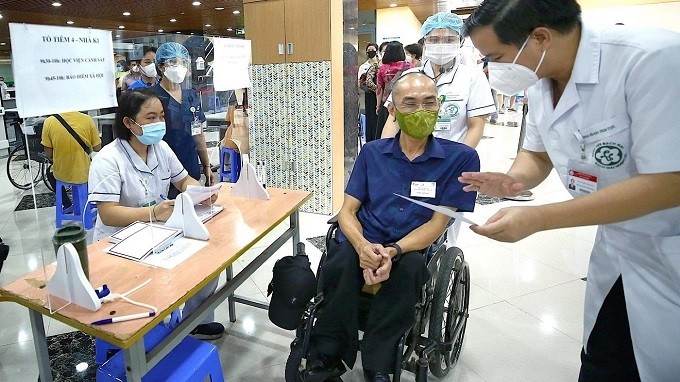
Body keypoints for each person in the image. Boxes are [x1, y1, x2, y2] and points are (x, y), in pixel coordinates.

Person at [461, 1, 680, 381]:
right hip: (619, 247)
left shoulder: (650, 60)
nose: (489, 69)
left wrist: (539, 218)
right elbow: (537, 153)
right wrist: (513, 179)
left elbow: (668, 182)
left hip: (670, 242)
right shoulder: (540, 78)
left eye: (494, 57)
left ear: (541, 37)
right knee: (604, 355)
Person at [301, 72, 480, 382]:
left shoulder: (460, 159)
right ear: (393, 110)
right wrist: (361, 246)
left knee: (409, 270)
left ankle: (379, 361)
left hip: (412, 243)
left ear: (440, 106)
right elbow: (347, 211)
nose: (420, 111)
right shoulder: (373, 153)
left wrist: (394, 250)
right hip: (365, 235)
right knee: (339, 261)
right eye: (409, 104)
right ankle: (327, 353)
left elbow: (439, 223)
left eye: (429, 102)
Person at [88, 89, 225, 340]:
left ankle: (195, 322)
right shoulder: (108, 159)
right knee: (159, 286)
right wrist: (151, 212)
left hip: (157, 232)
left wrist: (202, 192)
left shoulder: (161, 148)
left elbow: (183, 180)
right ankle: (155, 336)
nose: (158, 123)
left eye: (161, 116)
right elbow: (107, 214)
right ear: (129, 123)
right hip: (118, 242)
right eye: (150, 118)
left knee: (208, 262)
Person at [382, 12, 495, 246]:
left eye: (448, 39)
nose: (440, 45)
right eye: (434, 39)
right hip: (409, 159)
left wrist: (455, 162)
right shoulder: (410, 76)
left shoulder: (471, 77)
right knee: (403, 216)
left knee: (443, 226)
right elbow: (392, 121)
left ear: (460, 42)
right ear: (424, 42)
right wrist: (384, 158)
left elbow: (476, 126)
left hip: (449, 162)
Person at [150, 42, 213, 197]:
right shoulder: (151, 96)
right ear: (160, 66)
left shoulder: (191, 96)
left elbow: (198, 134)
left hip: (190, 163)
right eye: (173, 62)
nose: (179, 66)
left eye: (183, 62)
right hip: (162, 166)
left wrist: (206, 165)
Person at [41, 112, 101, 210]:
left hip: (61, 173)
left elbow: (48, 154)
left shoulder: (49, 121)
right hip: (85, 172)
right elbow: (97, 147)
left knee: (49, 173)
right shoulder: (87, 119)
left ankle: (67, 204)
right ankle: (88, 205)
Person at [375, 41, 411, 140]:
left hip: (387, 104)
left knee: (386, 133)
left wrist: (378, 106)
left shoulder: (382, 69)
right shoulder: (409, 67)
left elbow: (379, 89)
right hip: (405, 104)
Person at [358, 43, 380, 143]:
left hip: (380, 95)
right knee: (370, 118)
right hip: (370, 95)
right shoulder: (363, 66)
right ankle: (370, 140)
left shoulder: (381, 64)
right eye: (369, 50)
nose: (371, 52)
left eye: (373, 50)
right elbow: (360, 82)